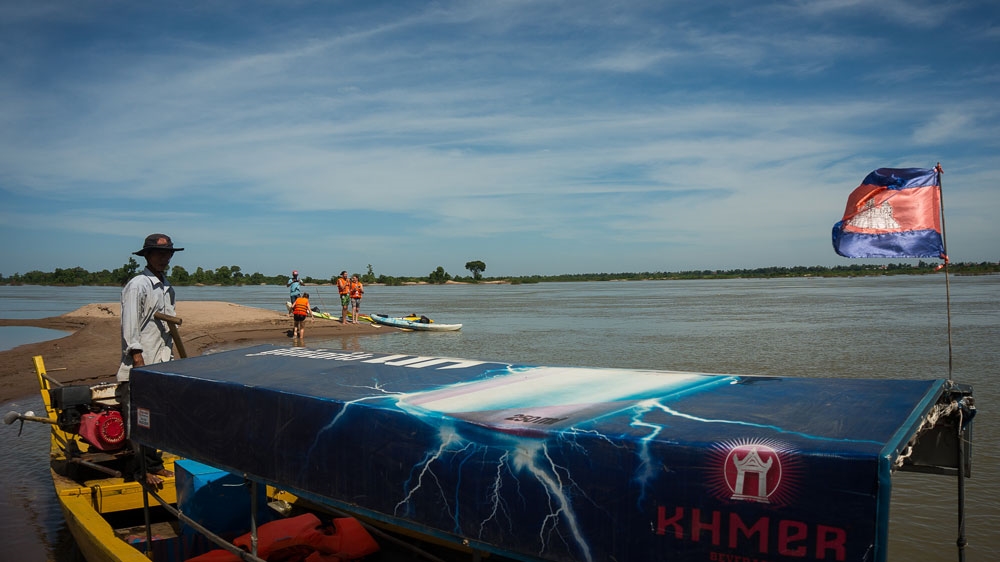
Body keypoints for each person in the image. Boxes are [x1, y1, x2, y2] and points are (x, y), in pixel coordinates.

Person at [117, 233, 182, 488]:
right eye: (159, 253)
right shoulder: (138, 285)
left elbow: (167, 328)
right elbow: (130, 324)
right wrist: (137, 358)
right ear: (147, 256)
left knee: (156, 417)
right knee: (138, 418)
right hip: (141, 365)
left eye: (167, 254)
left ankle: (154, 464)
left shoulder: (167, 287)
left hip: (161, 363)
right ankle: (141, 470)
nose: (164, 258)